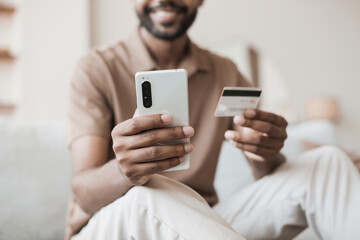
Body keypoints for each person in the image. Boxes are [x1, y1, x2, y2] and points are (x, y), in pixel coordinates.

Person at [65, 0, 360, 239]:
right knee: (149, 193)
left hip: (199, 224)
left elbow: (268, 175)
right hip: (112, 224)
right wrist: (124, 171)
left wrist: (264, 152)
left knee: (328, 162)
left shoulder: (225, 72)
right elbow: (84, 192)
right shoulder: (96, 69)